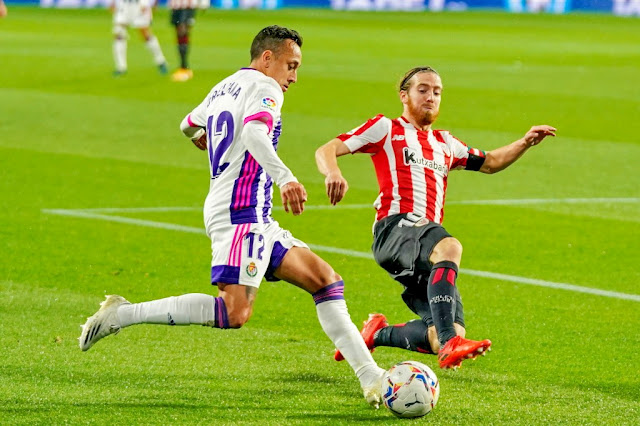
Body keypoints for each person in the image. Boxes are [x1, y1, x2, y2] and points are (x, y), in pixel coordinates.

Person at [79, 25, 386, 408]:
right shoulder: (266, 87)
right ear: (267, 57)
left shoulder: (224, 86)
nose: (293, 76)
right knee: (234, 311)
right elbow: (256, 133)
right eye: (290, 65)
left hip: (248, 211)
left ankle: (372, 378)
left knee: (326, 281)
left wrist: (201, 141)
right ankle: (122, 314)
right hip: (241, 212)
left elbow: (187, 124)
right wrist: (286, 178)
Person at [315, 66, 556, 370]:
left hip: (421, 245)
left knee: (443, 333)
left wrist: (524, 142)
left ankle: (378, 334)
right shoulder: (386, 128)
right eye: (423, 89)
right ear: (404, 95)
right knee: (450, 247)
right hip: (396, 227)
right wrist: (333, 172)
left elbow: (491, 162)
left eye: (437, 91)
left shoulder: (446, 143)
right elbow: (327, 149)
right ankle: (451, 345)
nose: (431, 96)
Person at [110, 0, 168, 76]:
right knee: (118, 33)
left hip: (139, 4)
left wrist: (147, 3)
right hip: (124, 5)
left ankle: (161, 61)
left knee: (145, 34)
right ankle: (121, 67)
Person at [168, 0, 209, 82]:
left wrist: (204, 3)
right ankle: (183, 67)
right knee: (179, 35)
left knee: (182, 32)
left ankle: (184, 68)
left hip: (187, 7)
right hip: (175, 6)